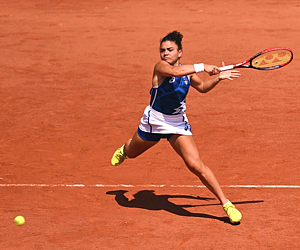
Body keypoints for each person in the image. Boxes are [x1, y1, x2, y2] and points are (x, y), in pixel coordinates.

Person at [111, 31, 242, 224]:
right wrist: (203, 65)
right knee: (131, 153)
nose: (165, 53)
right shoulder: (161, 68)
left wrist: (219, 78)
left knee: (196, 165)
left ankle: (226, 203)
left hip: (177, 124)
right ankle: (124, 149)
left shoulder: (188, 73)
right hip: (154, 122)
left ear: (180, 52)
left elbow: (203, 87)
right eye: (162, 50)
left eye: (170, 50)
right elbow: (174, 72)